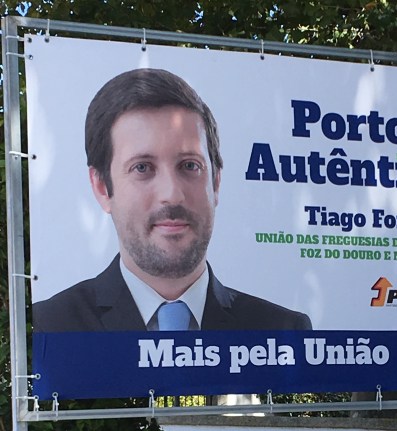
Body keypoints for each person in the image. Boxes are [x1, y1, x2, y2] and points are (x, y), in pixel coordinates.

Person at [33, 68, 312, 332]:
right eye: (142, 168)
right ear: (102, 188)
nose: (172, 194)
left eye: (190, 166)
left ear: (216, 182)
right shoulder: (49, 328)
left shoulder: (284, 332)